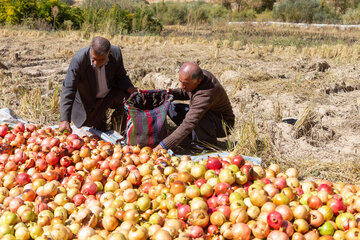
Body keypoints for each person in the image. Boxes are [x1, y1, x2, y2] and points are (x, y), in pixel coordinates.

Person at [59, 36, 138, 133]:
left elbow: (121, 76)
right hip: (89, 101)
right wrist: (64, 119)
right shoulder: (79, 60)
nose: (96, 63)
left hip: (109, 96)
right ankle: (101, 123)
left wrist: (129, 87)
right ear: (90, 49)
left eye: (101, 60)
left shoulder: (116, 53)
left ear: (109, 53)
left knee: (129, 99)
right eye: (94, 59)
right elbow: (69, 89)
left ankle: (117, 128)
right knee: (95, 133)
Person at [154, 62, 235, 151]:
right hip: (208, 116)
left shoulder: (206, 94)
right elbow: (187, 91)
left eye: (185, 83)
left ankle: (204, 145)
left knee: (199, 117)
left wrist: (162, 146)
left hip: (223, 124)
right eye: (180, 82)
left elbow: (188, 123)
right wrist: (173, 93)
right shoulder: (199, 77)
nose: (182, 86)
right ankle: (193, 135)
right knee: (173, 108)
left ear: (198, 81)